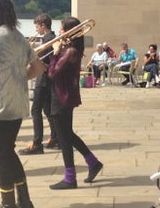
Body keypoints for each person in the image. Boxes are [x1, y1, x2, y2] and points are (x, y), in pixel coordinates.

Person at [0, 0, 44, 208]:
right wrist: (19, 77)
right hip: (18, 104)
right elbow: (38, 67)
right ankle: (24, 200)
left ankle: (8, 202)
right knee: (7, 150)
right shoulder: (19, 37)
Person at [48, 16, 103, 190]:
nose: (59, 32)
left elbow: (53, 73)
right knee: (67, 135)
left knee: (64, 138)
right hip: (63, 95)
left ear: (70, 32)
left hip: (62, 97)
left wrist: (55, 53)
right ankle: (92, 162)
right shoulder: (69, 48)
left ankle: (70, 178)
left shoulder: (69, 51)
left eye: (62, 30)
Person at [19, 13, 60, 155]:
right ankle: (55, 138)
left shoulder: (50, 39)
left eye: (37, 26)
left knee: (35, 110)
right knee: (47, 110)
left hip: (43, 78)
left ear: (43, 25)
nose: (36, 28)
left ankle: (37, 143)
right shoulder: (48, 38)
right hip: (46, 77)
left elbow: (48, 57)